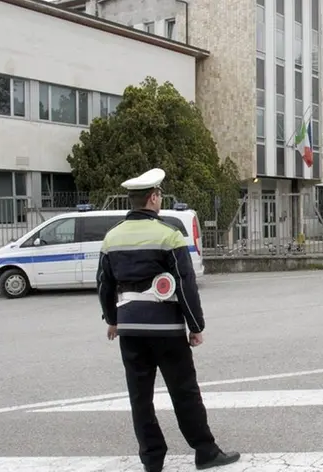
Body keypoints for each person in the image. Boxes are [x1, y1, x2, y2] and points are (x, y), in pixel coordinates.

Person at [96, 168, 240, 472]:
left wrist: (112, 319)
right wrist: (195, 326)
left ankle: (152, 460)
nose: (160, 199)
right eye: (159, 194)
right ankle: (205, 451)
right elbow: (185, 284)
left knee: (140, 396)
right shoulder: (168, 234)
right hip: (166, 329)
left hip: (130, 328)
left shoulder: (111, 238)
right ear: (152, 198)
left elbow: (104, 285)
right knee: (184, 391)